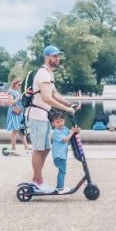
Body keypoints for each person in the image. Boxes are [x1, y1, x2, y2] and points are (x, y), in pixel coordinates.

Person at [26, 45, 77, 192]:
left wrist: (69, 104)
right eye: (54, 56)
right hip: (37, 116)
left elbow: (54, 94)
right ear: (47, 57)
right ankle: (37, 181)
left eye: (58, 56)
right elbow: (46, 98)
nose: (57, 59)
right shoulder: (43, 73)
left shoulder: (49, 74)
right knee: (38, 149)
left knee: (46, 148)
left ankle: (37, 179)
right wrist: (66, 109)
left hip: (43, 116)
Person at [49, 110, 80, 193]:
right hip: (58, 156)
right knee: (62, 171)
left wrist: (76, 130)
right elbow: (65, 140)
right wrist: (72, 132)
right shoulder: (56, 132)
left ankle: (61, 186)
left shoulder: (64, 129)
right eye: (57, 122)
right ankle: (60, 188)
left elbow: (71, 133)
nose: (60, 123)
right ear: (53, 124)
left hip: (62, 155)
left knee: (62, 171)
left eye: (62, 121)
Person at [6, 79, 28, 155]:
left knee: (21, 128)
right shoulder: (11, 92)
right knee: (15, 130)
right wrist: (19, 97)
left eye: (21, 85)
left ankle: (26, 146)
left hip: (19, 112)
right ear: (14, 84)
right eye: (19, 84)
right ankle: (13, 149)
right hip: (14, 112)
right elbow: (10, 102)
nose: (20, 86)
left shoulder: (18, 91)